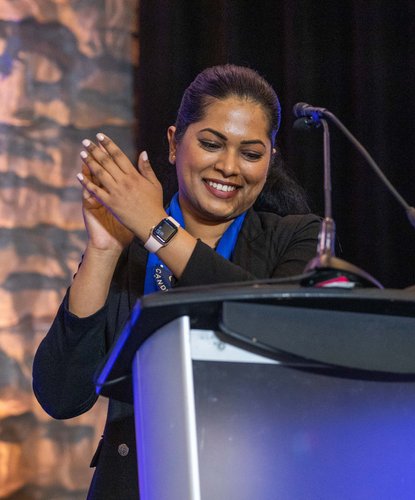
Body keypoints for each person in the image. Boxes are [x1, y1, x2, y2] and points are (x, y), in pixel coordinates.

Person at [32, 64, 321, 499]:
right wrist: (104, 251)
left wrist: (156, 227)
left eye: (251, 153)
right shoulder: (127, 249)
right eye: (210, 143)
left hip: (253, 481)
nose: (228, 167)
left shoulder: (296, 236)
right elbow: (61, 395)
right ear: (173, 143)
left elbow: (266, 319)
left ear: (270, 161)